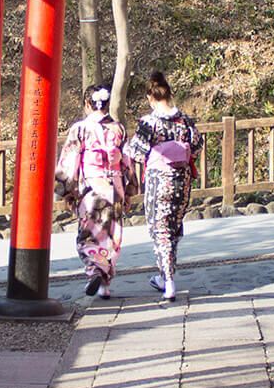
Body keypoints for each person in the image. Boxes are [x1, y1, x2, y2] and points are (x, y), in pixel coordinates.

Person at [123, 69, 203, 301]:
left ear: (150, 97)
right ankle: (164, 275)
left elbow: (137, 152)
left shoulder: (150, 123)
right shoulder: (185, 121)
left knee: (160, 231)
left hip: (159, 182)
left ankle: (168, 280)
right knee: (173, 229)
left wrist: (125, 150)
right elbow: (196, 148)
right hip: (182, 181)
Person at [55, 83, 128, 297]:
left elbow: (70, 161)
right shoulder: (118, 128)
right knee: (110, 237)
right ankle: (105, 285)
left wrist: (68, 190)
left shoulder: (80, 128)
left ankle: (95, 271)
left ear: (88, 104)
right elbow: (127, 162)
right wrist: (130, 190)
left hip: (91, 189)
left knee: (88, 236)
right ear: (106, 104)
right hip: (114, 188)